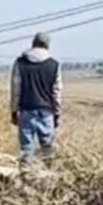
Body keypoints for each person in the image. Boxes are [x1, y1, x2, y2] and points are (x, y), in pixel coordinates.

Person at [10, 32, 63, 165]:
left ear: (33, 44)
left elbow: (16, 88)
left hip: (26, 110)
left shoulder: (20, 63)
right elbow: (57, 92)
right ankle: (48, 178)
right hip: (47, 111)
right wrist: (57, 113)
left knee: (26, 150)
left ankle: (25, 176)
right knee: (48, 150)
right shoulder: (54, 64)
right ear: (47, 46)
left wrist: (14, 110)